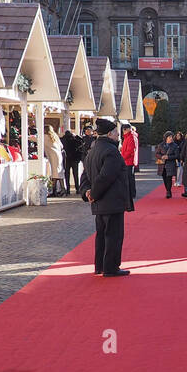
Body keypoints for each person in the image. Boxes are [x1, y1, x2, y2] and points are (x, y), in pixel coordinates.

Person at [81, 118, 131, 277]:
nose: (118, 136)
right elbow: (106, 177)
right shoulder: (111, 151)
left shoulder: (93, 150)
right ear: (110, 134)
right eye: (117, 133)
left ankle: (100, 266)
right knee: (113, 236)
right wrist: (93, 194)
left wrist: (87, 192)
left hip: (99, 202)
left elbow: (85, 176)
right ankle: (110, 267)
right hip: (111, 200)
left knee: (101, 235)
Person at [155, 131, 179, 199]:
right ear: (166, 138)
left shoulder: (175, 146)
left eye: (171, 137)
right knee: (164, 178)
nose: (171, 138)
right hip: (162, 164)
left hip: (170, 164)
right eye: (169, 137)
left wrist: (168, 157)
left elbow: (177, 155)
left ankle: (168, 191)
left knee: (169, 178)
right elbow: (157, 153)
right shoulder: (161, 145)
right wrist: (161, 157)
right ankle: (167, 189)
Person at [119, 122, 138, 211]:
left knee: (129, 179)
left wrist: (122, 158)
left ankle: (130, 194)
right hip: (127, 161)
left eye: (124, 130)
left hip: (128, 162)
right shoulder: (128, 137)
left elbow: (130, 151)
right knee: (129, 178)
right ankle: (131, 194)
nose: (123, 132)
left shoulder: (130, 137)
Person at [61, 128, 83, 195]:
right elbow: (82, 142)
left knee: (67, 175)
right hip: (74, 159)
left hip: (67, 159)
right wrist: (76, 136)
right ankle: (77, 189)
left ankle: (68, 189)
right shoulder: (74, 139)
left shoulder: (62, 140)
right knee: (75, 175)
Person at [45, 126, 66, 197]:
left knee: (55, 174)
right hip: (59, 156)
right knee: (58, 173)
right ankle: (61, 190)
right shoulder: (55, 136)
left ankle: (56, 191)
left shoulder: (45, 137)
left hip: (53, 156)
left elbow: (36, 139)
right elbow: (61, 146)